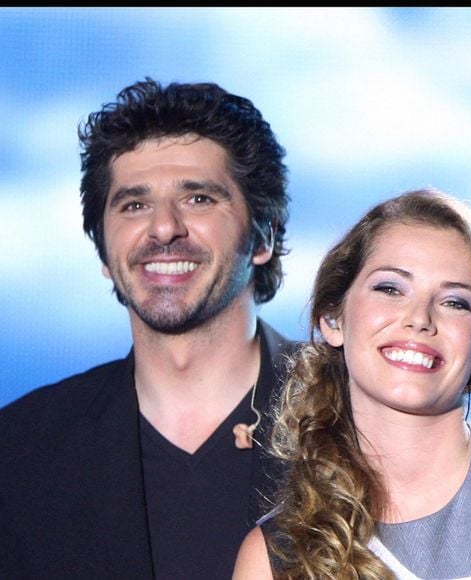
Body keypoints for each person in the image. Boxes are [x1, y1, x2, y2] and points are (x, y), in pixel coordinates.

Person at [0, 78, 298, 579]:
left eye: (199, 199)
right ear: (102, 249)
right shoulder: (19, 452)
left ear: (263, 235)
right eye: (134, 205)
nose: (163, 228)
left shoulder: (363, 418)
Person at [233, 188, 471, 579]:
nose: (419, 319)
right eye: (390, 289)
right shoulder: (275, 554)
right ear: (333, 319)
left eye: (455, 302)